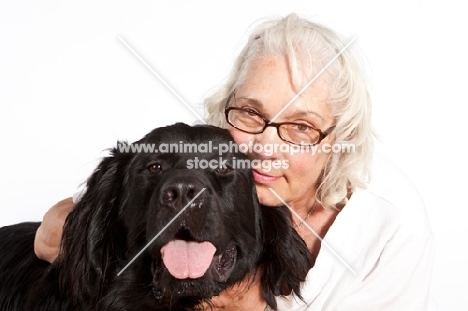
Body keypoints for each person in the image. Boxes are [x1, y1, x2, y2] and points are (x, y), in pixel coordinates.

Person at [34, 13, 434, 310]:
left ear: (339, 138)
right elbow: (62, 229)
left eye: (300, 127)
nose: (265, 144)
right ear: (226, 108)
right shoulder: (215, 154)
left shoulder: (393, 227)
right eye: (251, 113)